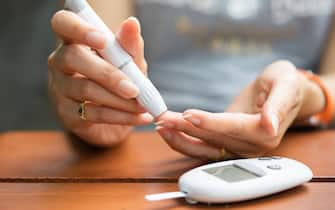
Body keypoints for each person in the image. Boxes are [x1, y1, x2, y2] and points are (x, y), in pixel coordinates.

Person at [48, 0, 335, 160]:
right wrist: (95, 104)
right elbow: (92, 60)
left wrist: (309, 94)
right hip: (145, 148)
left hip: (296, 151)